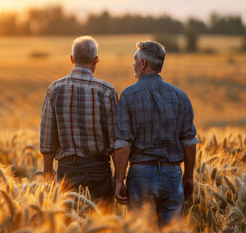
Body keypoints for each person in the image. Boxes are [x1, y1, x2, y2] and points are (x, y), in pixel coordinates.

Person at [113, 41, 199, 228]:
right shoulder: (180, 96)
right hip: (172, 174)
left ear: (143, 64)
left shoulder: (128, 95)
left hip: (141, 174)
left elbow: (123, 144)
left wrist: (119, 180)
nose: (133, 64)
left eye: (135, 60)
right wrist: (189, 177)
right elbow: (190, 143)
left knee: (141, 229)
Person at [39, 36, 118, 203]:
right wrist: (119, 179)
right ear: (96, 60)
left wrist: (47, 172)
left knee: (68, 223)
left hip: (67, 171)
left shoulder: (55, 88)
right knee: (103, 225)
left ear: (72, 59)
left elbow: (47, 138)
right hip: (99, 170)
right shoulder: (106, 91)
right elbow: (114, 141)